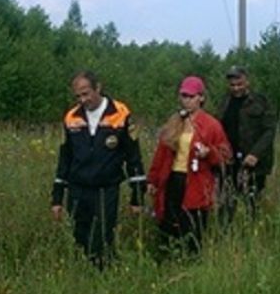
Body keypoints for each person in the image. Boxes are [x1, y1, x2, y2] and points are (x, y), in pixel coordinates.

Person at [50, 70, 146, 268]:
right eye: (78, 96)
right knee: (79, 237)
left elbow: (133, 158)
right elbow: (65, 158)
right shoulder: (71, 118)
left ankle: (104, 277)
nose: (83, 100)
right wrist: (57, 197)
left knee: (102, 238)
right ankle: (84, 278)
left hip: (106, 188)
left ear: (98, 88)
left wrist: (137, 197)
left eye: (86, 93)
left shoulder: (121, 114)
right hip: (78, 188)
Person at [146, 76, 230, 255]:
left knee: (193, 221)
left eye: (191, 96)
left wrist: (209, 153)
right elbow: (160, 154)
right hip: (171, 178)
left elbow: (225, 155)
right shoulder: (174, 122)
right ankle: (167, 257)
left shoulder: (211, 125)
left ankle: (192, 259)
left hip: (197, 180)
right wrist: (152, 180)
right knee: (168, 219)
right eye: (184, 96)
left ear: (201, 97)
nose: (187, 100)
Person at [216, 65, 277, 222]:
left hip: (254, 164)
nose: (236, 88)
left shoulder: (261, 101)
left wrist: (255, 154)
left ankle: (252, 236)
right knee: (226, 203)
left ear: (247, 82)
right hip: (229, 162)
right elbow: (218, 128)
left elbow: (269, 131)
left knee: (252, 204)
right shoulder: (224, 102)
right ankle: (225, 236)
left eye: (239, 84)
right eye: (232, 85)